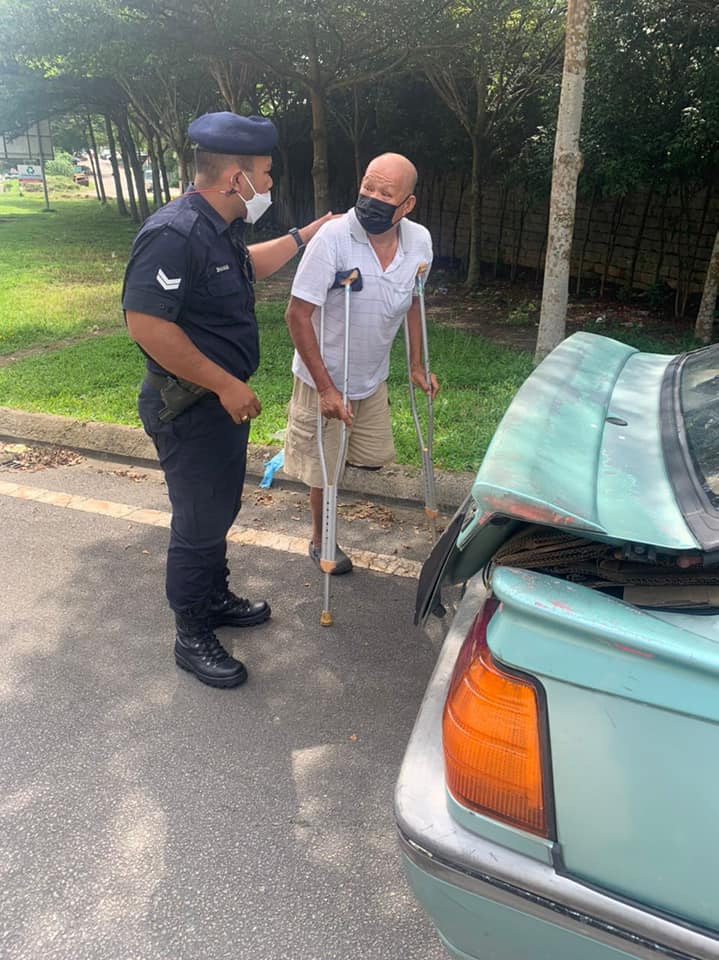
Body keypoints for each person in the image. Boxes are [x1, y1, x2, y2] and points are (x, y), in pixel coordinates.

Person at [122, 111, 332, 689]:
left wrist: (302, 237)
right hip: (190, 406)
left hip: (218, 409)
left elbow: (245, 267)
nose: (268, 185)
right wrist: (224, 383)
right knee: (197, 522)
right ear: (234, 177)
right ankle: (192, 633)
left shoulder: (219, 227)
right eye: (263, 174)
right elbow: (147, 325)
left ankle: (212, 598)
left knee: (217, 510)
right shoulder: (175, 232)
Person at [284, 152, 439, 574]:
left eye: (385, 193)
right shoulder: (332, 238)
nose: (372, 197)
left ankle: (335, 454)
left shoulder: (419, 241)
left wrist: (416, 365)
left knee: (374, 455)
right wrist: (328, 389)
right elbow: (297, 315)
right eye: (368, 187)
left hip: (371, 377)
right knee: (326, 470)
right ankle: (322, 540)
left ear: (407, 204)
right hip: (324, 376)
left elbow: (413, 303)